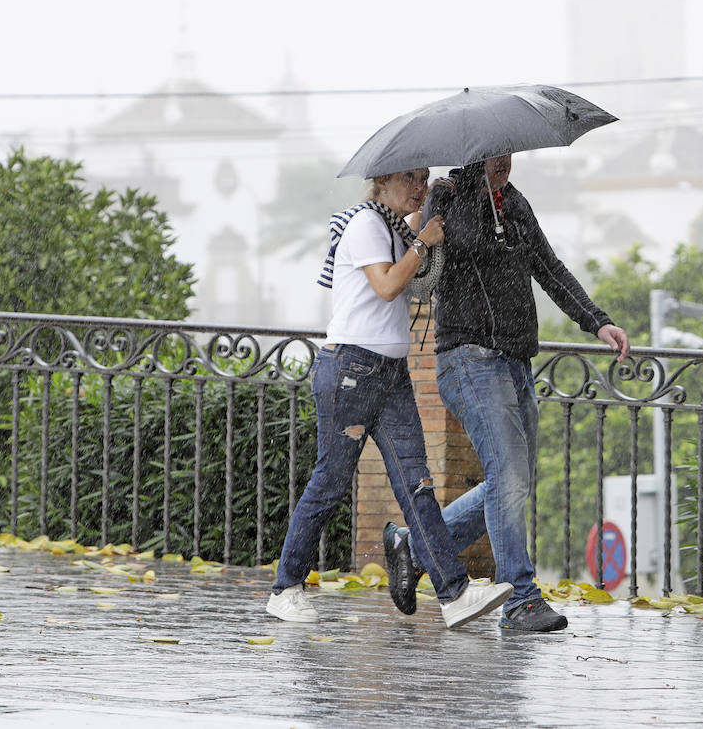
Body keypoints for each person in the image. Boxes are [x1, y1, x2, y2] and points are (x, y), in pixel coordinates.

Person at [267, 166, 513, 629]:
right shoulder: (364, 224)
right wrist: (422, 242)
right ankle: (285, 586)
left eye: (423, 178)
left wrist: (428, 226)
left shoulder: (394, 229)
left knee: (417, 487)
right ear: (382, 182)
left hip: (392, 376)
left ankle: (454, 593)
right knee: (330, 483)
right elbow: (386, 287)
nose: (418, 187)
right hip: (351, 372)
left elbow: (418, 286)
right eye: (410, 179)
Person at [423, 154, 631, 632]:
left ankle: (415, 547)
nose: (505, 164)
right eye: (494, 156)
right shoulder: (448, 198)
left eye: (510, 154)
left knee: (511, 481)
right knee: (509, 478)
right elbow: (462, 245)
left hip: (515, 361)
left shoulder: (514, 204)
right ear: (473, 157)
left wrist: (597, 320)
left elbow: (549, 267)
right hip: (468, 358)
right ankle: (520, 598)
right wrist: (478, 196)